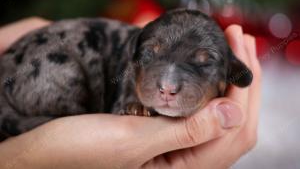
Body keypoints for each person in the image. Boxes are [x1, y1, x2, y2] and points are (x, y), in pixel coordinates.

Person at [0, 17, 261, 169]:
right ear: (134, 54)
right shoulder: (128, 71)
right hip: (34, 77)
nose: (167, 85)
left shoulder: (229, 74)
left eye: (202, 63)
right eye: (150, 55)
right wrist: (27, 156)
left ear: (232, 72)